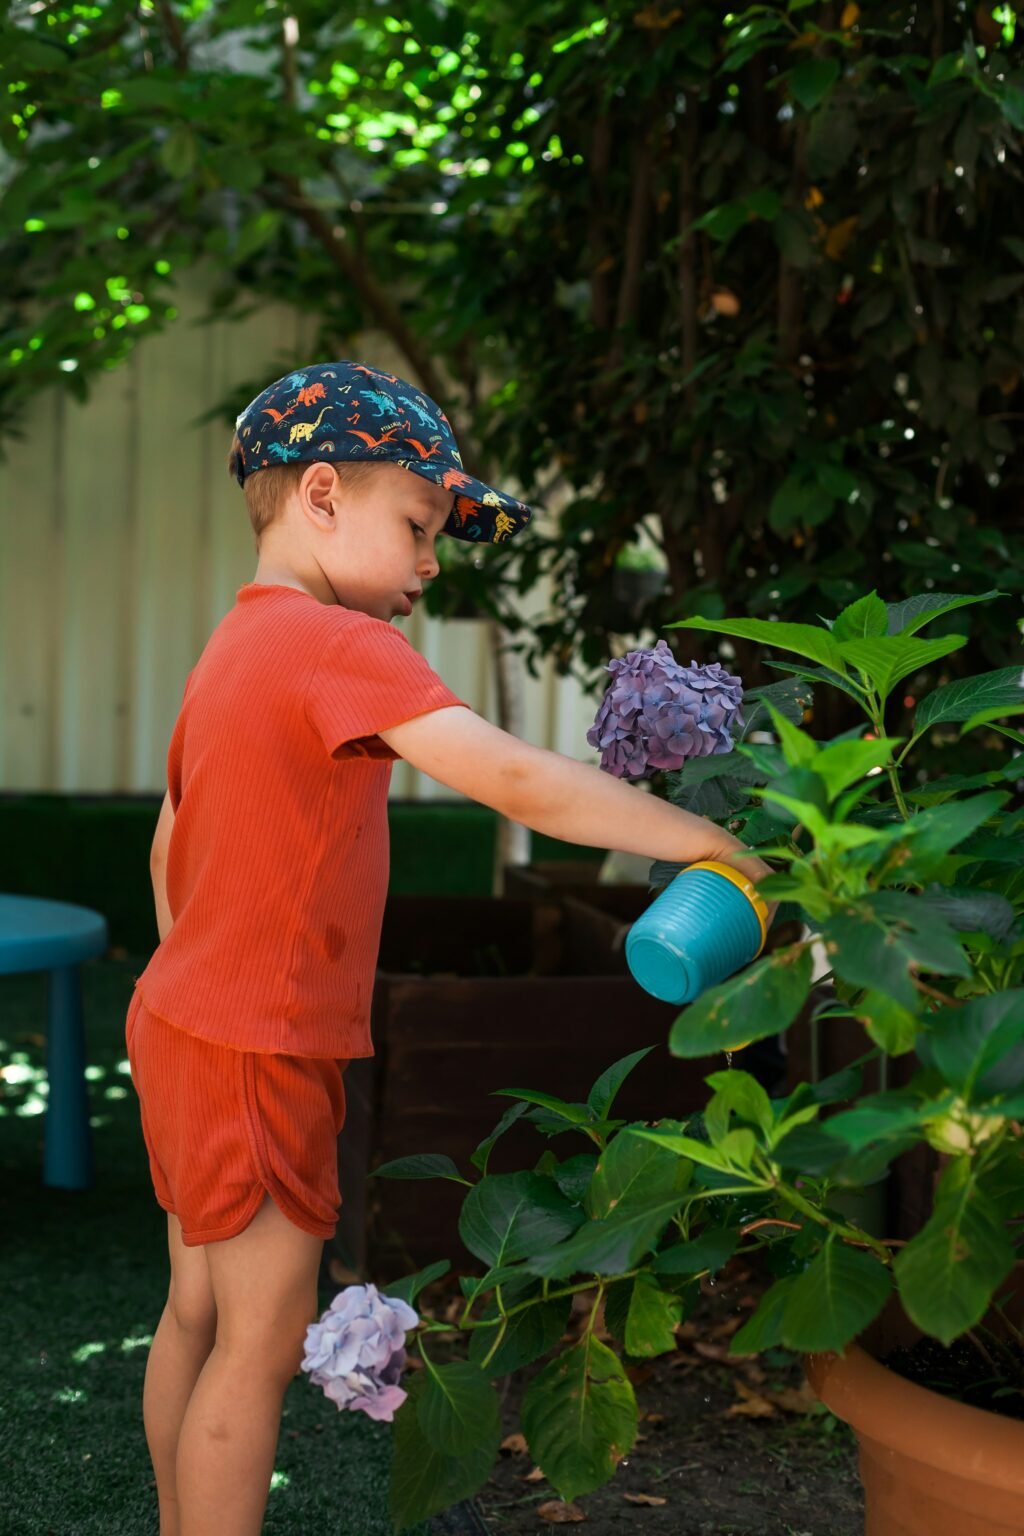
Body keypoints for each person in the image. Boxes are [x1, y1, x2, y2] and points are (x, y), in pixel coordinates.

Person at [126, 359, 776, 1536]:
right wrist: (713, 843)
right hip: (255, 1044)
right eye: (420, 526)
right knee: (258, 1349)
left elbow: (167, 839)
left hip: (185, 1022)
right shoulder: (337, 647)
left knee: (195, 1314)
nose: (431, 564)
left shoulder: (237, 643)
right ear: (321, 493)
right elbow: (517, 781)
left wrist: (204, 978)